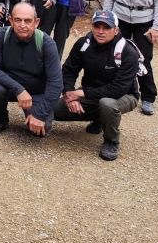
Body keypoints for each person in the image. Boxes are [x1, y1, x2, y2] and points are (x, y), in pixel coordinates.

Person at [53, 10, 141, 161]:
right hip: (92, 93)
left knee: (107, 104)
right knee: (55, 110)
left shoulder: (127, 52)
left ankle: (111, 142)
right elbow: (68, 70)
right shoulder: (83, 44)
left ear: (116, 30)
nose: (101, 31)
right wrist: (69, 94)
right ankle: (100, 118)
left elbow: (118, 89)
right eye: (97, 26)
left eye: (106, 27)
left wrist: (81, 93)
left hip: (124, 95)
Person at [0, 2, 63, 138]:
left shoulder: (47, 43)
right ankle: (0, 119)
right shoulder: (1, 35)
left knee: (42, 130)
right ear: (11, 21)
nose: (22, 25)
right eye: (18, 20)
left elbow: (56, 83)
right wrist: (19, 90)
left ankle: (34, 113)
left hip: (37, 92)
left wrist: (40, 114)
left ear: (36, 22)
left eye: (28, 21)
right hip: (10, 88)